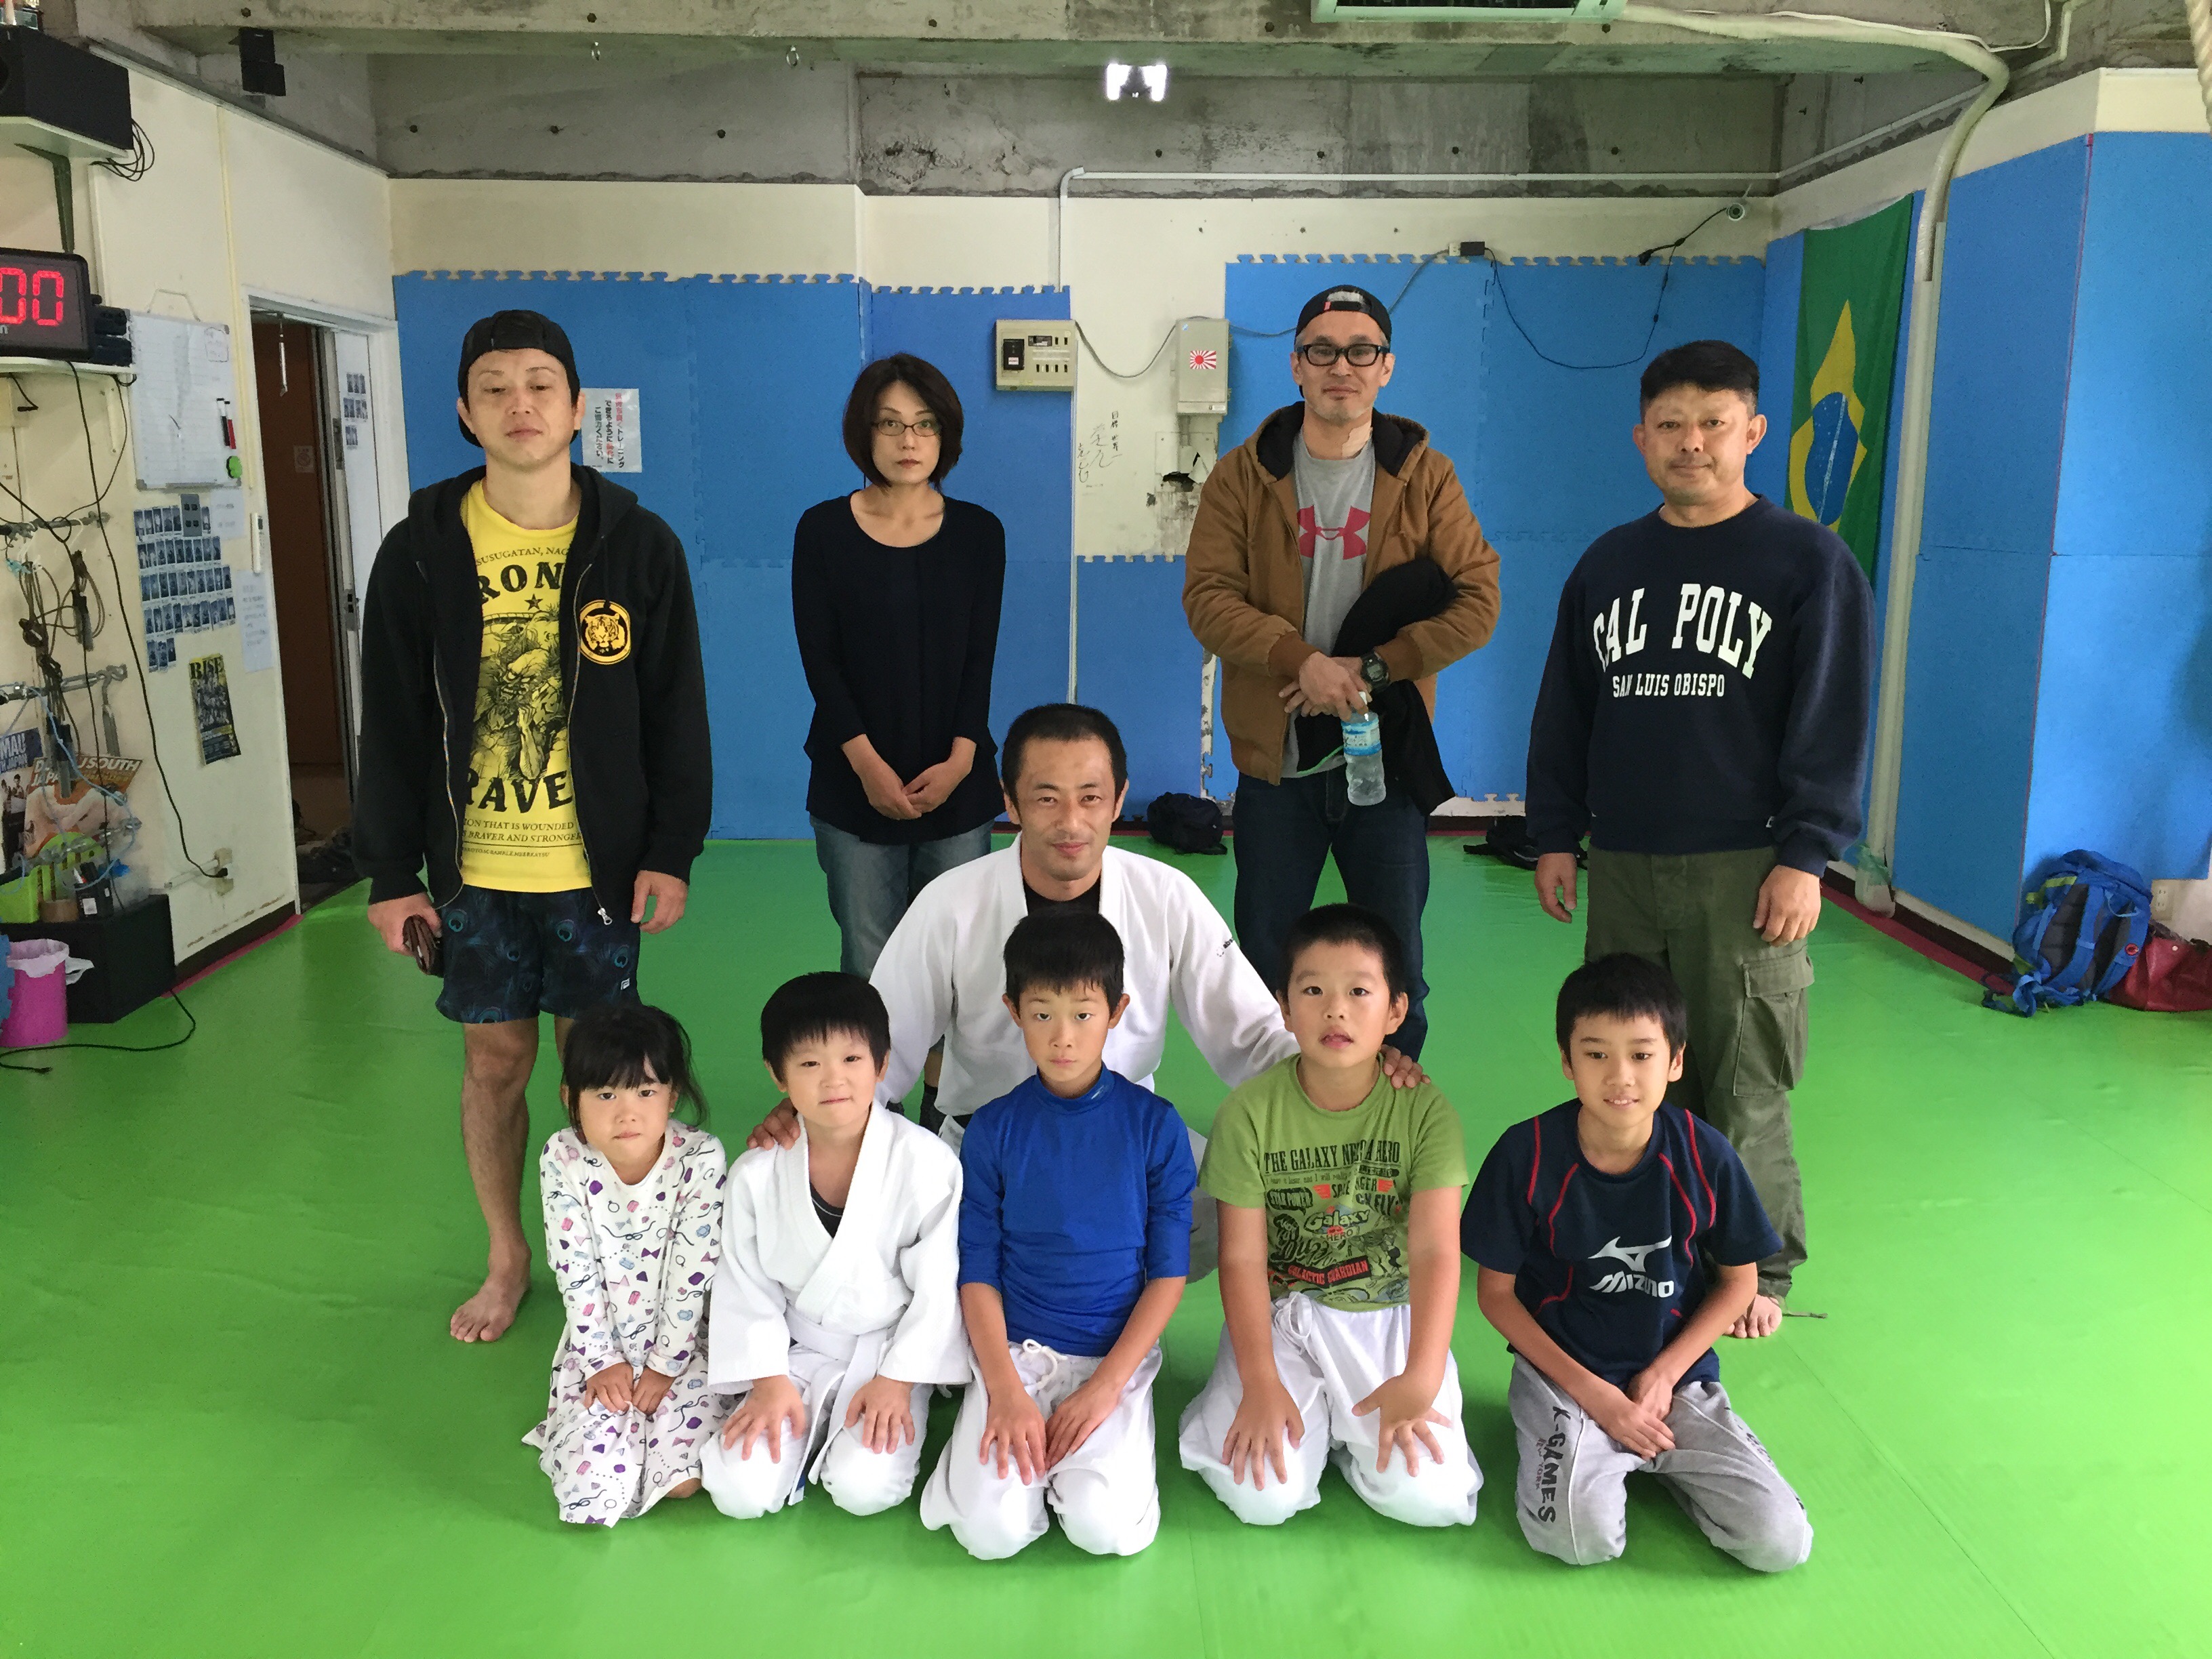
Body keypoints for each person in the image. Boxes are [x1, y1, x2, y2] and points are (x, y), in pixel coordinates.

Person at [354, 308, 711, 1343]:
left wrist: (671, 850)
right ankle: (509, 1255)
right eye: (496, 388)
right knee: (495, 1064)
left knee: (601, 1071)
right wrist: (391, 872)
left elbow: (675, 709)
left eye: (541, 385)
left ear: (577, 408)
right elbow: (394, 720)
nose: (521, 404)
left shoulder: (638, 546)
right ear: (466, 413)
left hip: (594, 868)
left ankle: (607, 1262)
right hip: (476, 870)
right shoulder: (421, 552)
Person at [1525, 338, 1873, 1338]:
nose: (1692, 443)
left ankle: (1759, 1271)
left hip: (1747, 865)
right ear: (1641, 437)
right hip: (1627, 864)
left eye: (1713, 424)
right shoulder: (1608, 564)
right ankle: (1657, 1248)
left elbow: (1833, 718)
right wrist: (1556, 833)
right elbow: (1567, 710)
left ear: (1752, 432)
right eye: (1671, 425)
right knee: (1629, 1073)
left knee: (1744, 1074)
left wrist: (1806, 853)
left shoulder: (1807, 562)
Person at [1184, 283, 1502, 1059]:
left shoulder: (1426, 476)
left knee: (1395, 964)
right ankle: (1271, 1108)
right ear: (1296, 365)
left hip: (1384, 760)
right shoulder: (1242, 475)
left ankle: (1393, 1110)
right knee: (1267, 959)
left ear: (1386, 367)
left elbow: (1479, 600)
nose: (1342, 367)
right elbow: (1208, 598)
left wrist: (1375, 669)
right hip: (1277, 766)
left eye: (1362, 351)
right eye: (1322, 351)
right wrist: (1300, 662)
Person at [1461, 955, 1812, 1572]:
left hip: (1674, 1376)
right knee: (1577, 1541)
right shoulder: (1526, 1154)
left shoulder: (1704, 1154)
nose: (1620, 1076)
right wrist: (1598, 1397)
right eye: (1596, 1054)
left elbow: (1740, 1283)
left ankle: (1653, 1455)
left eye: (1642, 1055)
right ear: (1567, 1062)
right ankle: (1580, 1440)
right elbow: (1495, 1294)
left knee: (1781, 1541)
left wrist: (1662, 1377)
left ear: (1675, 1061)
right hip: (1567, 1376)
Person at [1177, 904, 1481, 1530]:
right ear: (1284, 1009)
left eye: (1359, 992)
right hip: (1284, 1317)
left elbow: (1434, 1252)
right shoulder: (1249, 1114)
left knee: (1431, 1499)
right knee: (1264, 1498)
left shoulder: (1425, 1113)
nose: (1336, 1011)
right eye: (1313, 991)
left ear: (1395, 1011)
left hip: (1389, 1317)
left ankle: (1340, 1431)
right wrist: (1260, 1382)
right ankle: (1269, 1410)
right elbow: (1241, 1258)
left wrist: (1422, 1376)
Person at [918, 912, 1195, 1559]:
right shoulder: (992, 1129)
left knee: (1103, 1530)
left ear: (1117, 1011)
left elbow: (1167, 1273)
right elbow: (978, 1270)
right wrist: (1005, 1391)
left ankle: (1104, 1446)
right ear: (1014, 1011)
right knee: (990, 1534)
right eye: (1042, 1014)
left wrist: (1106, 1387)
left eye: (1083, 1014)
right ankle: (1000, 1442)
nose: (1063, 1036)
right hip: (1014, 1353)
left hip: (1113, 1355)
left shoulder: (1155, 1126)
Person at [699, 972, 966, 1521]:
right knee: (737, 1490)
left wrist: (898, 1382)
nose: (833, 1079)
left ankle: (892, 1402)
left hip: (888, 1354)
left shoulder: (927, 1164)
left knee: (863, 1488)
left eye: (851, 1059)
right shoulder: (756, 1174)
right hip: (793, 1352)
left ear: (882, 1065)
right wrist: (768, 1379)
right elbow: (745, 1284)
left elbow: (939, 1285)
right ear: (777, 1075)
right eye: (808, 1064)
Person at [795, 354, 1006, 980]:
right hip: (852, 780)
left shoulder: (979, 533)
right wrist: (867, 766)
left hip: (955, 778)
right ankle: (874, 1058)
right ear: (864, 433)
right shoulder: (823, 529)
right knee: (871, 961)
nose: (908, 441)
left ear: (945, 435)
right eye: (890, 424)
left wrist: (962, 760)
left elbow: (980, 656)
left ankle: (944, 1065)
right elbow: (820, 660)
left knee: (957, 965)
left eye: (925, 424)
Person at [523, 1003, 733, 1526]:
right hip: (601, 1342)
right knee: (593, 1492)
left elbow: (693, 1276)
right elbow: (573, 1269)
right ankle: (606, 1433)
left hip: (686, 1346)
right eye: (605, 1095)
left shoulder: (700, 1158)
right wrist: (600, 1361)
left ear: (672, 1097)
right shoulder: (563, 1157)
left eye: (645, 1092)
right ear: (570, 1099)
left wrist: (665, 1364)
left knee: (682, 1483)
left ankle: (656, 1432)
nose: (627, 1114)